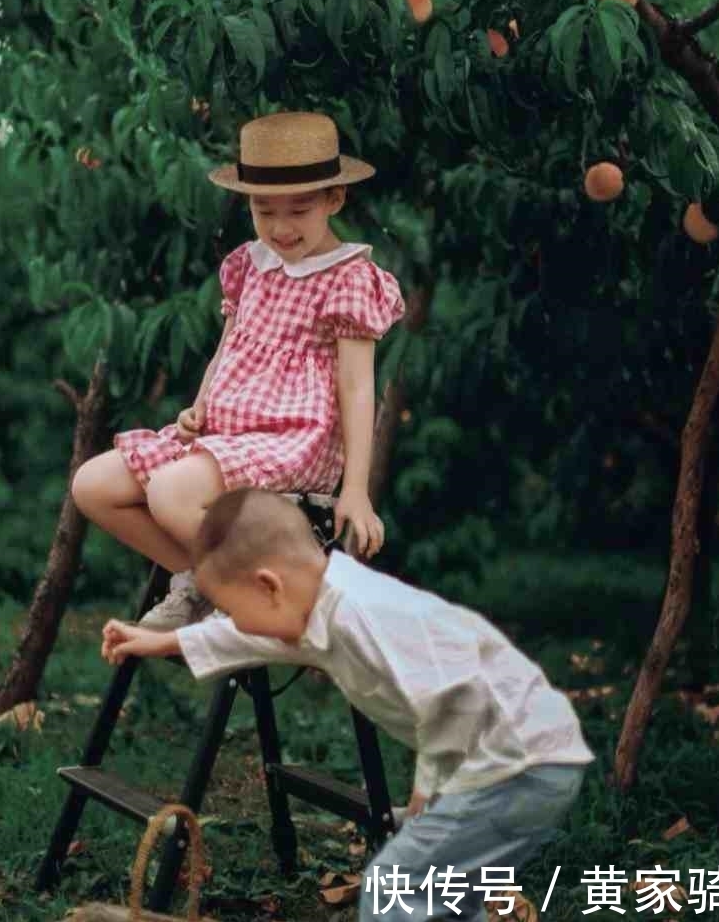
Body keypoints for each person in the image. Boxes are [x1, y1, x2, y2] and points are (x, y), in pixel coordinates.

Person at [101, 489, 594, 922]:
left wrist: (428, 788)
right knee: (444, 894)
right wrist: (153, 642)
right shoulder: (313, 605)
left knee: (393, 888)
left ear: (270, 586)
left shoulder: (360, 614)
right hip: (523, 758)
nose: (242, 623)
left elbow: (457, 692)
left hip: (520, 760)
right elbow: (243, 639)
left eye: (238, 608)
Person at [72, 111, 406, 629]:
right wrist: (200, 407)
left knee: (169, 491)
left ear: (334, 200)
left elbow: (359, 386)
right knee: (92, 484)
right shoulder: (252, 263)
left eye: (299, 210)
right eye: (263, 210)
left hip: (292, 442)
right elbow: (230, 346)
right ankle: (204, 581)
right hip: (226, 436)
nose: (280, 227)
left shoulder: (349, 277)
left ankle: (291, 594)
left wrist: (355, 489)